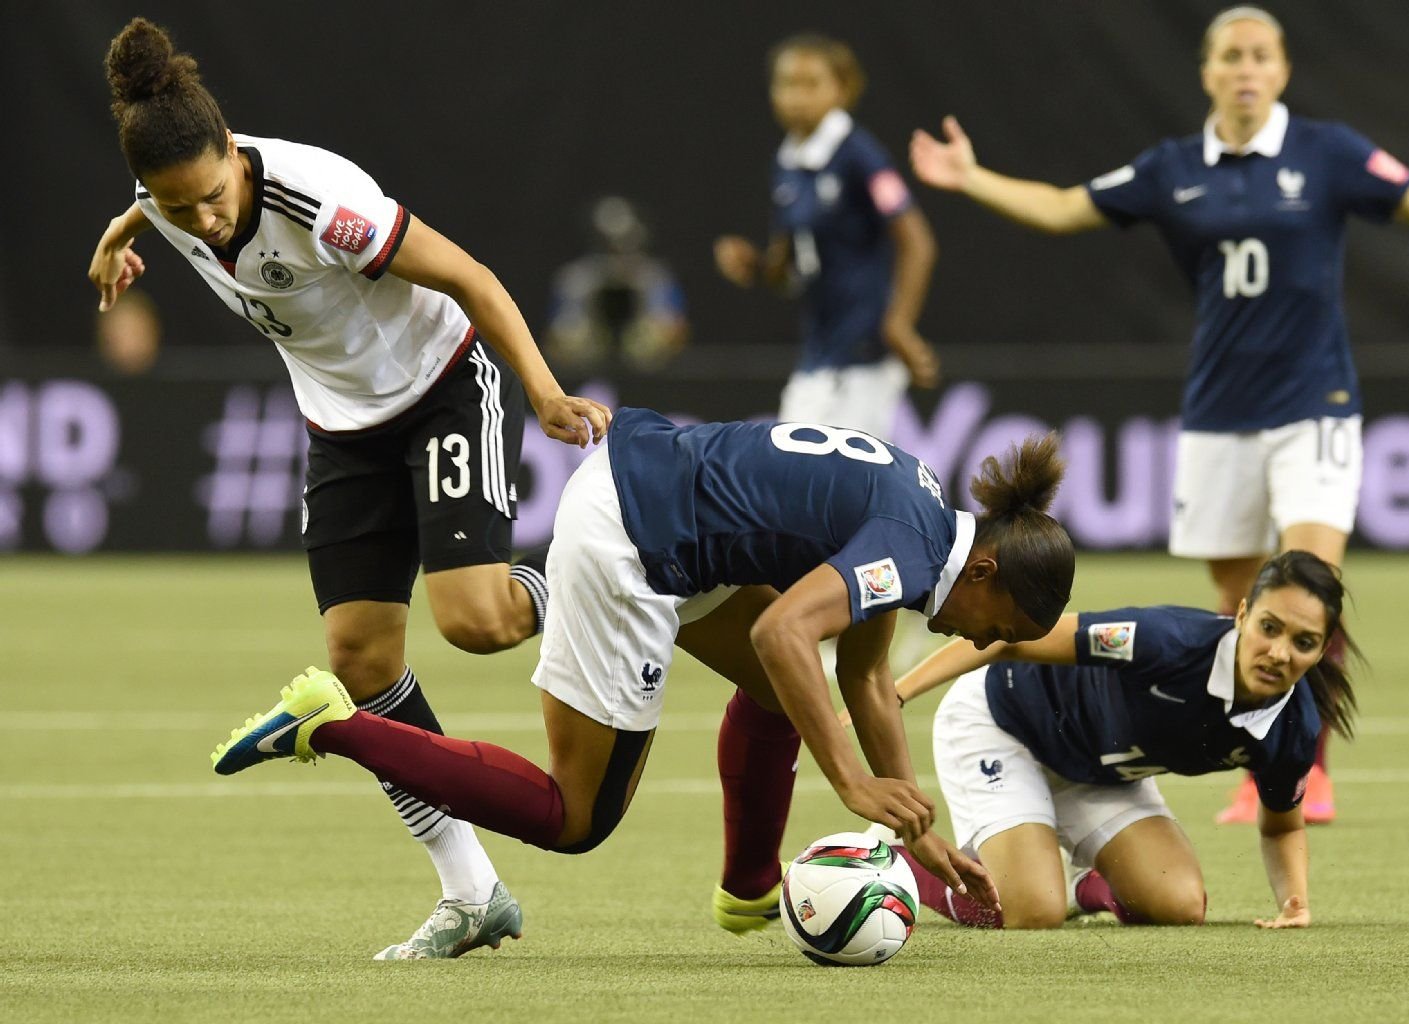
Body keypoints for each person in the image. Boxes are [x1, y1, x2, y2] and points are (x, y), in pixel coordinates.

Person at [88, 18, 611, 960]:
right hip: (341, 430)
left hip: (441, 388)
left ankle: (594, 579)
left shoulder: (320, 202)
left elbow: (473, 279)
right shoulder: (164, 190)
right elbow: (148, 199)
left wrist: (541, 389)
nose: (201, 220)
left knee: (478, 624)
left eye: (210, 196)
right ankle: (471, 890)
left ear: (235, 157)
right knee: (359, 661)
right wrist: (120, 235)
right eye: (176, 206)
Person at [211, 410, 1078, 943]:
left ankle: (748, 892)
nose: (982, 641)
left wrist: (919, 831)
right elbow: (784, 630)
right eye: (997, 631)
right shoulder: (911, 548)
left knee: (788, 695)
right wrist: (851, 782)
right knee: (574, 816)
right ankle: (331, 723)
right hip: (636, 540)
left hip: (665, 497)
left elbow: (860, 676)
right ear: (988, 573)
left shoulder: (925, 516)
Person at [909, 5, 1409, 824]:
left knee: (1315, 581)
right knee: (1241, 604)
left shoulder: (1330, 153)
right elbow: (1066, 208)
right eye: (1231, 55)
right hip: (1217, 414)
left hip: (1316, 406)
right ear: (1207, 71)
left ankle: (1303, 771)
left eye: (1261, 55)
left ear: (1281, 69)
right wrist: (971, 177)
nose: (1246, 68)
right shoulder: (1173, 168)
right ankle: (1256, 753)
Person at [879, 549, 1356, 930]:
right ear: (1243, 614)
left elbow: (1282, 827)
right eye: (1269, 628)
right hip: (1004, 724)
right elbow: (1012, 637)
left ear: (1322, 648)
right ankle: (896, 866)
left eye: (1303, 642)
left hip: (1098, 772)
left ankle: (1074, 881)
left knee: (1180, 904)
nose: (1278, 653)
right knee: (1032, 912)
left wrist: (1294, 903)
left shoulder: (1293, 727)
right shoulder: (1166, 641)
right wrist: (895, 693)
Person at [714, 33, 939, 441]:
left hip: (864, 355)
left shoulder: (859, 155)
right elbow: (789, 268)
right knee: (794, 476)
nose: (797, 96)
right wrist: (757, 267)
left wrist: (899, 324)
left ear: (843, 89)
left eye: (811, 84)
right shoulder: (788, 162)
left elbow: (917, 240)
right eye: (787, 84)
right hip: (819, 351)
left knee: (833, 481)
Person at [546, 195, 689, 370]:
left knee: (649, 340)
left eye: (625, 239)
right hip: (587, 368)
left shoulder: (655, 278)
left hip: (647, 371)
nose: (617, 249)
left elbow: (675, 330)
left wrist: (651, 335)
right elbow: (557, 337)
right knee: (574, 337)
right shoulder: (576, 279)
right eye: (609, 242)